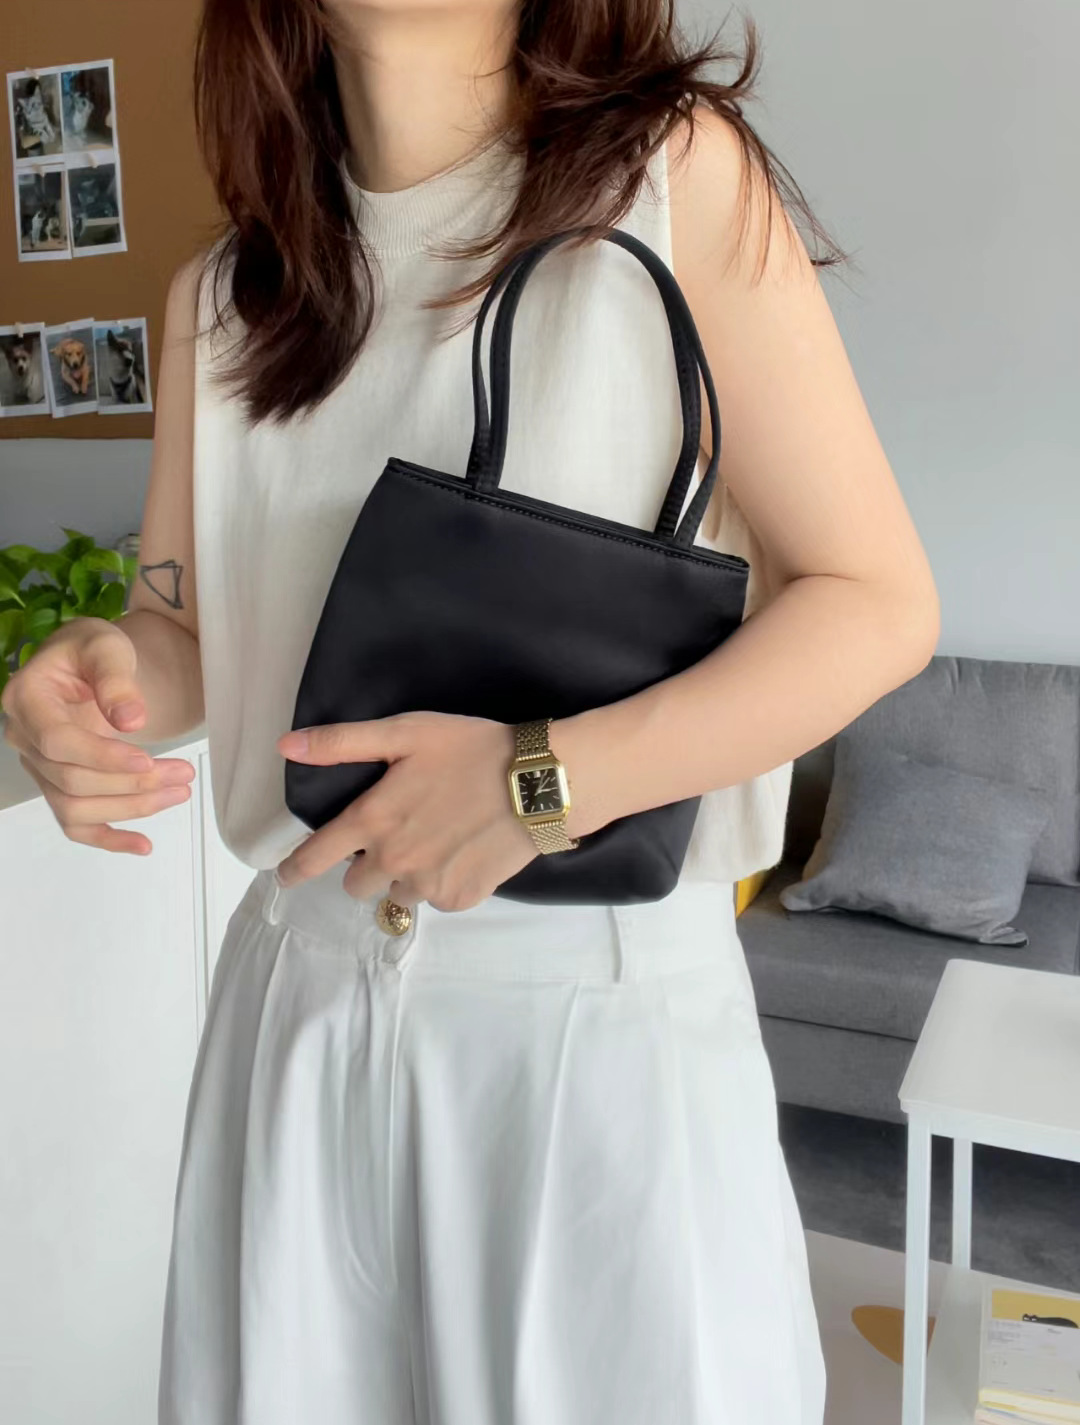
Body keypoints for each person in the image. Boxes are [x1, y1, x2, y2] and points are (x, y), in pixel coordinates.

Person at [0, 0, 940, 1420]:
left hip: (590, 1026)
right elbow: (184, 621)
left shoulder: (672, 177)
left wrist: (535, 783)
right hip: (298, 1010)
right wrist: (103, 673)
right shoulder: (227, 293)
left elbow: (874, 601)